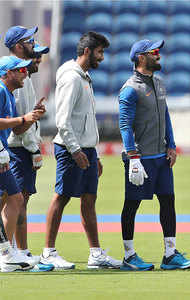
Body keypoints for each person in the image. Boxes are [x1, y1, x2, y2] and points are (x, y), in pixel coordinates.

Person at [39, 31, 121, 270]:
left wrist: (92, 151)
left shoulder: (83, 77)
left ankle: (96, 254)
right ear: (87, 51)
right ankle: (48, 253)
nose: (102, 58)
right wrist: (75, 150)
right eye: (99, 52)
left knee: (89, 200)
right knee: (62, 196)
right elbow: (63, 120)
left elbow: (84, 119)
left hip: (85, 148)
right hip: (69, 148)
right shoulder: (72, 79)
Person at [118, 39, 190, 271]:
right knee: (131, 205)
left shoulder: (159, 84)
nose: (159, 55)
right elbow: (124, 124)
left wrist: (171, 145)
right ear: (141, 57)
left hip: (161, 156)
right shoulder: (130, 88)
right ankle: (129, 256)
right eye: (154, 52)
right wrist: (132, 156)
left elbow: (166, 115)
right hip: (140, 158)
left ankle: (170, 254)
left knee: (168, 201)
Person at [4, 26, 51, 271]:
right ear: (19, 46)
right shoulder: (11, 82)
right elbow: (17, 125)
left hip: (18, 149)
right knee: (14, 201)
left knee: (14, 201)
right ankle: (14, 251)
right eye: (31, 42)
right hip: (15, 150)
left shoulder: (23, 80)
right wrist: (30, 122)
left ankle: (14, 251)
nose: (37, 54)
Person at [0, 55, 44, 272]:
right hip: (1, 155)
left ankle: (8, 252)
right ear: (8, 73)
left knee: (13, 199)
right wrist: (23, 119)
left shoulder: (8, 93)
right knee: (15, 198)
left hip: (3, 153)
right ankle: (6, 255)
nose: (25, 74)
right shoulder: (0, 90)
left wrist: (31, 117)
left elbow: (16, 129)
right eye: (20, 71)